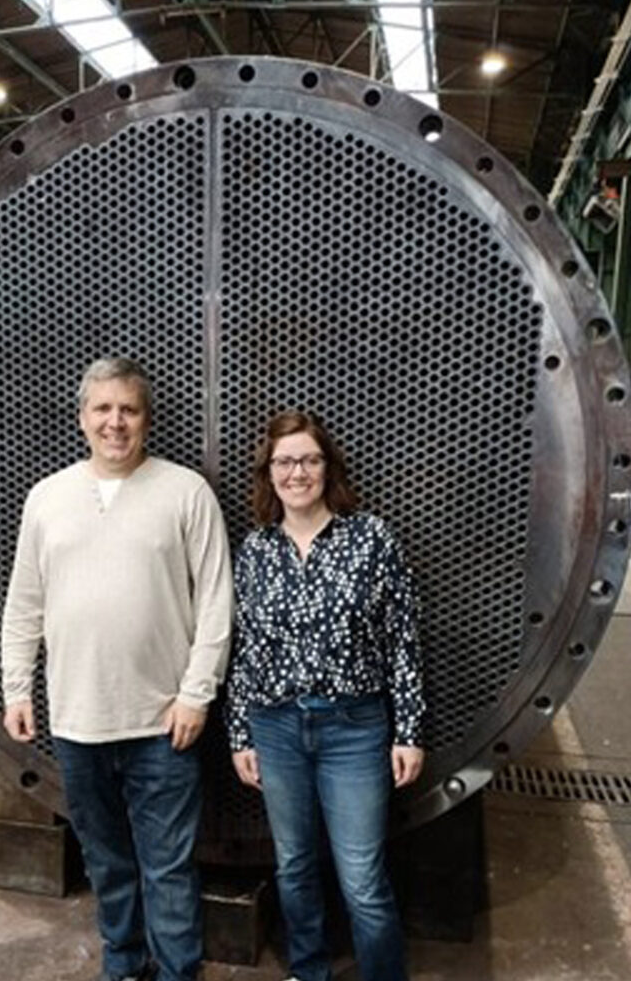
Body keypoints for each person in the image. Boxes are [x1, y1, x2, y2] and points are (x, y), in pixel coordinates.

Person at [1, 357, 233, 981]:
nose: (115, 422)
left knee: (168, 866)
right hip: (77, 721)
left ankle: (177, 972)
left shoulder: (185, 492)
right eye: (102, 409)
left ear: (147, 419)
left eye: (128, 409)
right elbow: (24, 603)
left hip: (163, 723)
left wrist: (196, 695)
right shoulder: (47, 497)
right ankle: (125, 966)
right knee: (106, 861)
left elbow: (216, 603)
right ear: (82, 418)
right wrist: (17, 688)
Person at [225, 411, 424, 981]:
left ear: (328, 467)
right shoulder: (256, 549)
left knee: (361, 876)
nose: (298, 473)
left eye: (309, 460)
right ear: (269, 472)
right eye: (285, 462)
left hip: (354, 728)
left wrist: (409, 731)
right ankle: (307, 970)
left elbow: (403, 639)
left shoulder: (371, 538)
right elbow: (245, 647)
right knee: (294, 865)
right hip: (276, 727)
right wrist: (240, 733)